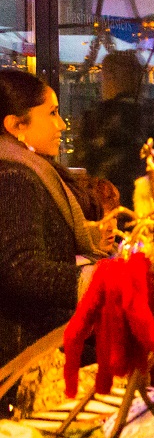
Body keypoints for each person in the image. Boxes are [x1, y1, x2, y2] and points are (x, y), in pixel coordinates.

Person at [0, 70, 105, 368]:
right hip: (29, 358)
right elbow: (20, 269)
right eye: (52, 113)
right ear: (16, 125)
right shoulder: (14, 176)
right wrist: (97, 280)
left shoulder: (30, 169)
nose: (61, 124)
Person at [75, 50, 154, 209]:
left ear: (112, 77)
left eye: (103, 75)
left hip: (105, 206)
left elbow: (83, 167)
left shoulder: (96, 118)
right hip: (149, 203)